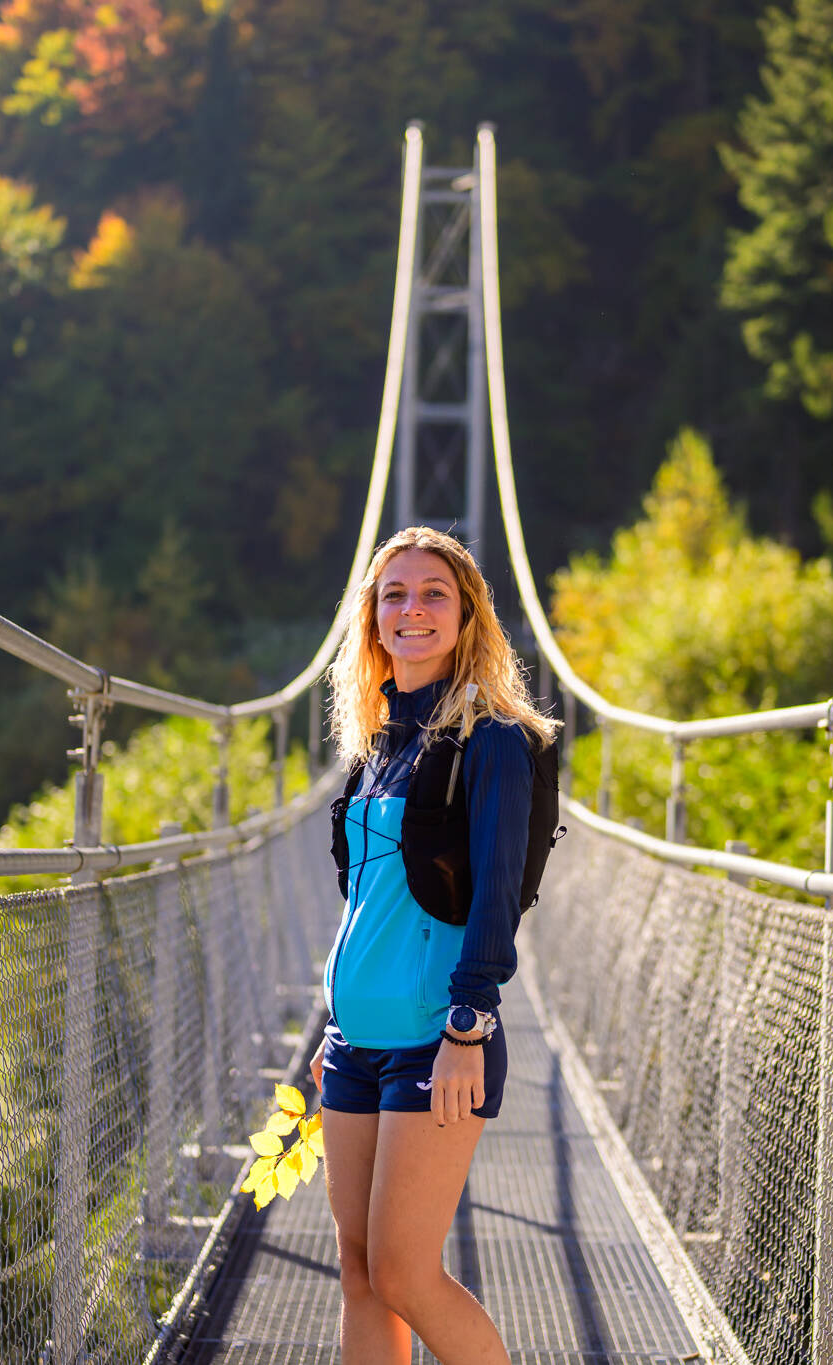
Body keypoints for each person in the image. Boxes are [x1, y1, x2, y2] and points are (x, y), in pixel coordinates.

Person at [309, 525, 557, 1365]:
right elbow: (368, 906)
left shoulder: (491, 740)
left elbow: (495, 896)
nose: (411, 609)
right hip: (352, 1044)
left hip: (437, 1036)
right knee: (359, 1273)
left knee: (404, 1273)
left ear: (465, 616)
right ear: (373, 619)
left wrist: (467, 1026)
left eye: (432, 594)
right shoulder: (375, 748)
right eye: (394, 594)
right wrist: (333, 1024)